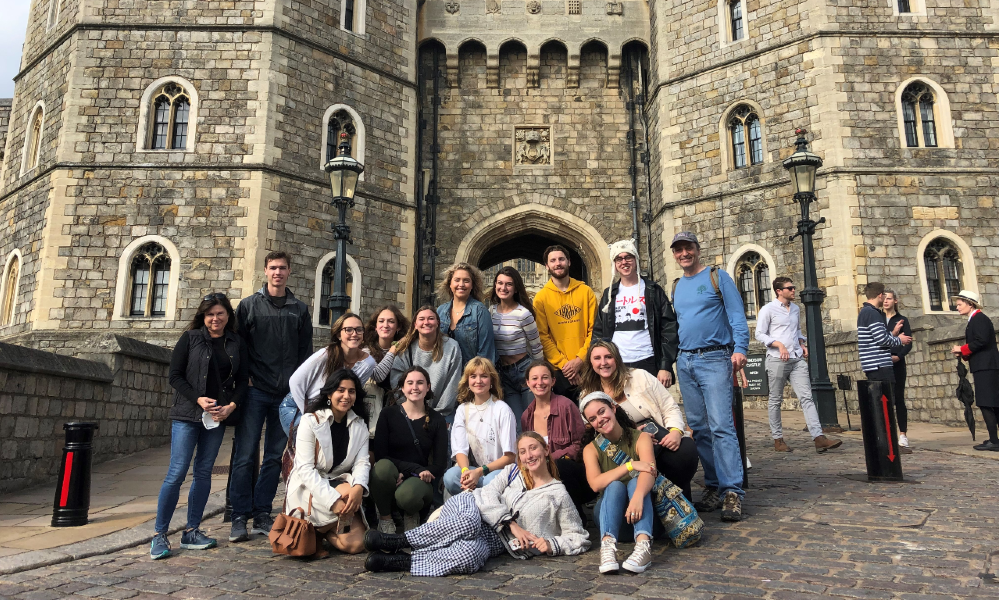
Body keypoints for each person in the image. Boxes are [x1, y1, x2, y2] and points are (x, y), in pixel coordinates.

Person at [362, 432, 590, 575]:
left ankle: (400, 562)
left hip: (497, 542)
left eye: (533, 448)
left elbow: (579, 536)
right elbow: (488, 492)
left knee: (469, 557)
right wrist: (511, 523)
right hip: (471, 507)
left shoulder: (558, 494)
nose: (529, 455)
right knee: (468, 524)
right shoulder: (512, 472)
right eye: (522, 452)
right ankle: (396, 540)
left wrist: (551, 544)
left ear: (545, 450)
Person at [152, 294, 248, 560]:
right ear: (203, 317)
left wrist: (231, 407)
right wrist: (197, 398)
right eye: (210, 314)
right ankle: (160, 534)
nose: (215, 319)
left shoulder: (236, 343)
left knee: (204, 472)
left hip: (216, 417)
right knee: (177, 472)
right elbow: (174, 376)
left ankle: (191, 530)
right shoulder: (191, 338)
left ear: (228, 315)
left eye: (220, 313)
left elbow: (242, 382)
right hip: (187, 415)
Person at [231, 251, 312, 543]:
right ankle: (239, 516)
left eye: (283, 268)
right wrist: (246, 378)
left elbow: (305, 354)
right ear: (265, 271)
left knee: (275, 457)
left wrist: (297, 389)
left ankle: (262, 512)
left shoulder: (299, 310)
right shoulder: (249, 306)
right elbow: (238, 346)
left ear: (289, 272)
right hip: (255, 392)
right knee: (245, 455)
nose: (278, 272)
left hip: (285, 396)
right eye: (273, 268)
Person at [669, 231, 749, 521]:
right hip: (686, 360)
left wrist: (740, 348)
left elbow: (737, 315)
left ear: (697, 250)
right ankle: (714, 485)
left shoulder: (718, 277)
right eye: (678, 250)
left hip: (715, 357)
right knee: (700, 429)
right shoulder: (677, 286)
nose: (683, 254)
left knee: (721, 426)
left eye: (688, 249)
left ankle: (732, 492)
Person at [578, 341, 700, 502]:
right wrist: (636, 436)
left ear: (617, 358)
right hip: (624, 447)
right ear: (591, 362)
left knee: (685, 450)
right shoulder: (588, 394)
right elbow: (594, 432)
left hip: (658, 438)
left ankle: (678, 501)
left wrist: (676, 431)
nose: (603, 363)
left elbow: (669, 406)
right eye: (597, 358)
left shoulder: (639, 376)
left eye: (608, 357)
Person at [283, 369, 371, 556]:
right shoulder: (310, 421)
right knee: (346, 492)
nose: (346, 396)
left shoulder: (359, 425)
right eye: (341, 390)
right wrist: (333, 502)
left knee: (356, 545)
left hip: (337, 482)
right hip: (308, 487)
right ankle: (312, 527)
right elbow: (305, 470)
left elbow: (362, 462)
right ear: (330, 394)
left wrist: (359, 487)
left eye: (351, 391)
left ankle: (318, 532)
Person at [755, 277, 842, 453]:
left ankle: (818, 437)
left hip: (796, 358)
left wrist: (802, 344)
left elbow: (796, 331)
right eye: (790, 288)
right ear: (779, 291)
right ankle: (778, 439)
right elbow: (759, 334)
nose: (794, 290)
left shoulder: (795, 309)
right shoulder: (768, 310)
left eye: (793, 287)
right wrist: (778, 344)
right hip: (777, 359)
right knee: (775, 400)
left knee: (807, 397)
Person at [580, 392, 658, 574]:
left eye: (602, 412)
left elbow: (650, 472)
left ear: (613, 408)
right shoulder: (591, 449)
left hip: (642, 513)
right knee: (614, 485)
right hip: (610, 516)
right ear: (590, 424)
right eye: (593, 418)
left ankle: (643, 546)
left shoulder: (641, 438)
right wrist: (629, 465)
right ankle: (607, 547)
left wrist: (638, 497)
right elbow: (595, 484)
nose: (600, 419)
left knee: (636, 482)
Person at [370, 366, 449, 534]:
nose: (415, 387)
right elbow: (381, 454)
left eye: (420, 383)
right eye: (410, 383)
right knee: (381, 468)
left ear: (428, 387)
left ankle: (411, 514)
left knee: (408, 496)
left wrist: (413, 473)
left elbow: (440, 463)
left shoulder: (437, 420)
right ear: (402, 388)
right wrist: (408, 470)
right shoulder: (388, 414)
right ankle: (385, 519)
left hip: (420, 479)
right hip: (394, 473)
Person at [593, 239, 678, 387]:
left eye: (628, 257)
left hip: (648, 360)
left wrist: (665, 365)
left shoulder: (652, 290)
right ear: (614, 264)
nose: (624, 262)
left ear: (636, 259)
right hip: (617, 363)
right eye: (619, 259)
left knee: (651, 408)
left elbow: (669, 329)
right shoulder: (609, 294)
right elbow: (599, 332)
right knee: (618, 407)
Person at [520, 360, 594, 512]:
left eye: (545, 377)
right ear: (528, 383)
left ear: (553, 381)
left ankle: (577, 517)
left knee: (559, 466)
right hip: (543, 476)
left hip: (574, 475)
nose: (540, 382)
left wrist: (549, 459)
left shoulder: (566, 406)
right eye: (534, 378)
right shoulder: (526, 416)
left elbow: (580, 445)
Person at [285, 313, 377, 426]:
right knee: (311, 439)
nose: (354, 333)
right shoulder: (325, 355)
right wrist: (307, 415)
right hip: (298, 403)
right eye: (348, 330)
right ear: (339, 334)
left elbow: (352, 391)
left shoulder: (368, 364)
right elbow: (295, 381)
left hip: (327, 409)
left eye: (359, 329)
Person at [442, 357, 518, 496]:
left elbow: (510, 457)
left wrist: (479, 472)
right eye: (473, 376)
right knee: (451, 476)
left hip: (498, 471)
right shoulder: (462, 410)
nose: (478, 381)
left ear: (491, 381)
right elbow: (460, 450)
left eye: (484, 376)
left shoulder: (502, 409)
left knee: (489, 481)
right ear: (467, 381)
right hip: (474, 470)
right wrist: (466, 472)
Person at [533, 245, 597, 400]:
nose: (558, 263)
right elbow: (542, 336)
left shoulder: (586, 291)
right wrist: (564, 365)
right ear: (547, 266)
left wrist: (579, 360)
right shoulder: (541, 298)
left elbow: (594, 330)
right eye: (553, 260)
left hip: (588, 364)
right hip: (559, 371)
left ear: (569, 262)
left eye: (561, 259)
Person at [390, 305, 464, 423]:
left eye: (431, 318)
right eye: (422, 319)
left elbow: (453, 385)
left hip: (443, 414)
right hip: (411, 411)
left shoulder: (452, 347)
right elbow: (397, 381)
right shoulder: (406, 349)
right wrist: (412, 409)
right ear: (415, 324)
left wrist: (436, 416)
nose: (426, 322)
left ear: (438, 323)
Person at [490, 266, 544, 426]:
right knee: (515, 422)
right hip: (503, 373)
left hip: (524, 370)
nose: (503, 288)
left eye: (509, 284)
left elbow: (536, 346)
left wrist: (539, 373)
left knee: (532, 420)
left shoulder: (523, 314)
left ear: (515, 288)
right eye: (500, 283)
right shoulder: (490, 311)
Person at [951, 290, 1000, 452]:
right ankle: (995, 439)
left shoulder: (979, 319)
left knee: (986, 403)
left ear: (969, 304)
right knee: (992, 403)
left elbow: (982, 340)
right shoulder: (975, 320)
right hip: (984, 365)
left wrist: (962, 348)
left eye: (959, 304)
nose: (957, 307)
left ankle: (994, 441)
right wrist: (964, 353)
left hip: (986, 366)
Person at [436, 262, 496, 367]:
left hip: (470, 376)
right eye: (457, 280)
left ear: (472, 285)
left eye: (466, 281)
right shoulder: (440, 311)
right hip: (444, 375)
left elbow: (486, 354)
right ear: (450, 284)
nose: (461, 284)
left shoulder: (480, 311)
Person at [363, 305, 410, 437]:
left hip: (396, 413)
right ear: (376, 326)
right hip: (370, 414)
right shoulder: (366, 351)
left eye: (391, 321)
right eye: (381, 321)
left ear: (398, 327)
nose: (386, 325)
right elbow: (378, 376)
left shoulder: (405, 352)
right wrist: (393, 349)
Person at [883, 290, 913, 453]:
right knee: (885, 399)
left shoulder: (902, 320)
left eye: (889, 298)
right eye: (884, 298)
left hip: (897, 363)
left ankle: (903, 435)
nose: (886, 301)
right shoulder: (878, 319)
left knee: (899, 398)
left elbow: (908, 342)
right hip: (882, 363)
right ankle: (888, 435)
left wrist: (899, 357)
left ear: (895, 300)